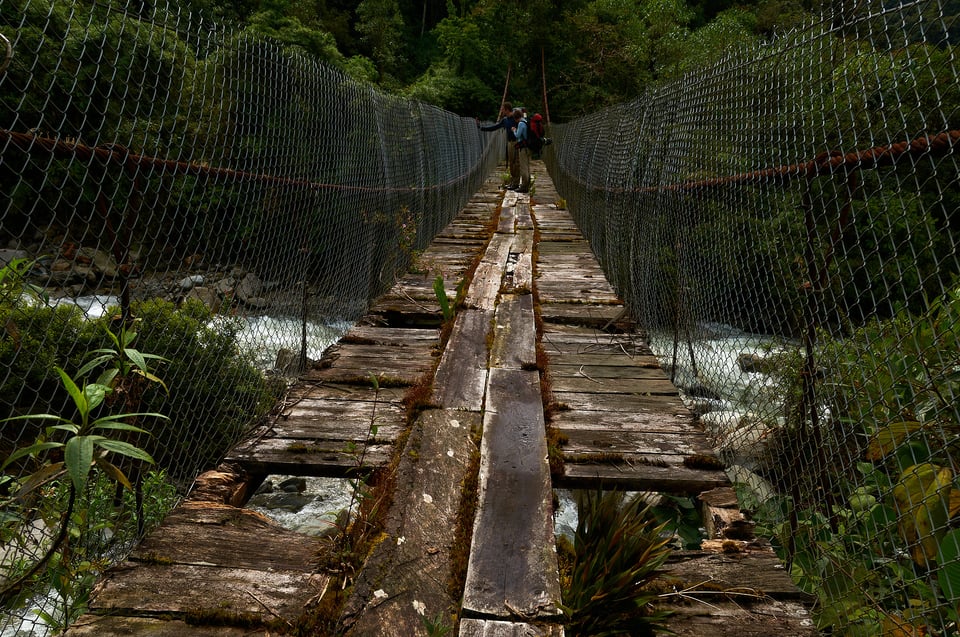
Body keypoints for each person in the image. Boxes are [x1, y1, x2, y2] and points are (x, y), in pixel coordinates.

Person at [478, 102, 520, 190]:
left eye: (502, 109)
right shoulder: (505, 120)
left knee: (516, 163)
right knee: (511, 163)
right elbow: (495, 127)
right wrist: (481, 128)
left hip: (517, 142)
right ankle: (513, 182)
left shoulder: (515, 118)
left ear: (507, 109)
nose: (501, 111)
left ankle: (516, 183)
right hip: (509, 143)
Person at [513, 110, 531, 193]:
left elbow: (517, 135)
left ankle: (524, 187)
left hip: (523, 148)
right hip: (529, 147)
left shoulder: (520, 123)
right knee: (527, 167)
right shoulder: (526, 121)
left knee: (523, 168)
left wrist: (514, 130)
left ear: (516, 118)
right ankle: (527, 184)